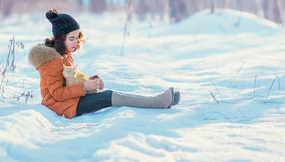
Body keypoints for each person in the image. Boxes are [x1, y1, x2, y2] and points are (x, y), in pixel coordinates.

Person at [28, 9, 180, 119]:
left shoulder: (64, 54)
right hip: (59, 106)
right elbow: (57, 94)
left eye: (77, 37)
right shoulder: (52, 60)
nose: (75, 42)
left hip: (70, 100)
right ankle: (158, 102)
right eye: (71, 39)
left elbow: (70, 80)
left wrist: (91, 81)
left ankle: (159, 101)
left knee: (108, 95)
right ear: (61, 39)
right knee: (108, 96)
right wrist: (84, 87)